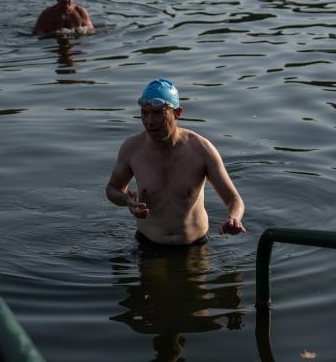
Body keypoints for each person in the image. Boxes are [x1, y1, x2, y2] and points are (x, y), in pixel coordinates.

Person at [105, 78, 246, 246]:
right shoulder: (132, 149)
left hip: (195, 246)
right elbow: (112, 189)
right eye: (145, 113)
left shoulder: (201, 149)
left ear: (177, 113)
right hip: (148, 244)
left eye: (158, 113)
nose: (150, 121)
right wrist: (126, 200)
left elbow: (233, 199)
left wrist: (234, 218)